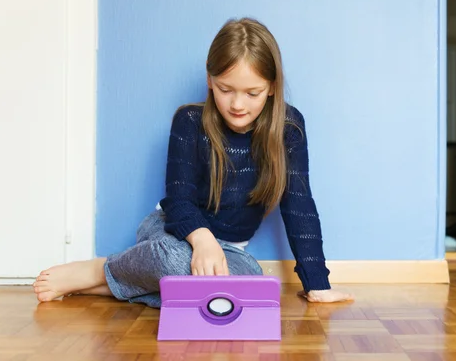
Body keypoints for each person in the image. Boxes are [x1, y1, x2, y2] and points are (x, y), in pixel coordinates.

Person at [33, 17, 354, 308]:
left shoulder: (289, 128)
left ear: (271, 87)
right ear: (210, 79)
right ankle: (100, 269)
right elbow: (179, 200)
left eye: (252, 93)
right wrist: (201, 240)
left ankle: (108, 286)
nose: (238, 104)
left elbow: (299, 206)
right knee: (173, 259)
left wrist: (318, 284)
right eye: (226, 89)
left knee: (250, 284)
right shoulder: (190, 121)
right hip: (173, 232)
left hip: (229, 249)